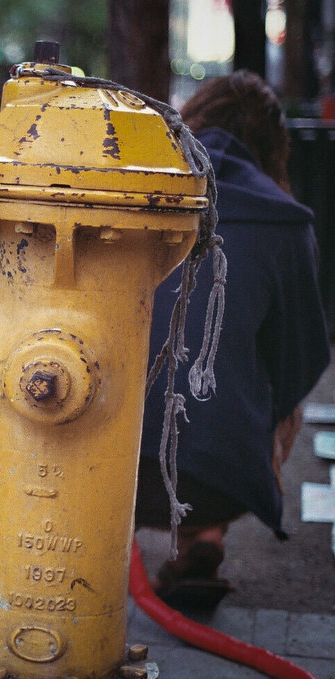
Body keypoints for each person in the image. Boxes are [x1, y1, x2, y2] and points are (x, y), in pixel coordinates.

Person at [136, 70, 330, 610]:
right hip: (219, 484)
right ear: (274, 147)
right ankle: (204, 536)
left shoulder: (136, 189)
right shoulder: (286, 221)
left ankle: (114, 549)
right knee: (258, 382)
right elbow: (301, 361)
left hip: (103, 471)